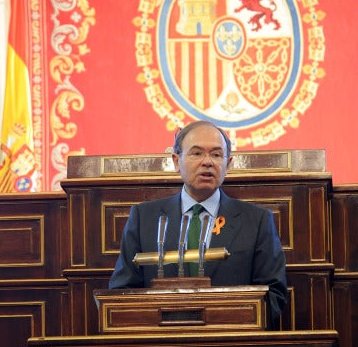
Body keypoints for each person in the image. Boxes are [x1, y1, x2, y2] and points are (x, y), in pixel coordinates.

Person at [108, 121, 288, 328]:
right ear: (176, 162)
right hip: (161, 343)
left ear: (228, 164)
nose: (207, 162)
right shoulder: (144, 218)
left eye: (216, 155)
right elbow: (122, 292)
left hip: (231, 343)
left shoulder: (256, 220)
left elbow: (274, 296)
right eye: (196, 153)